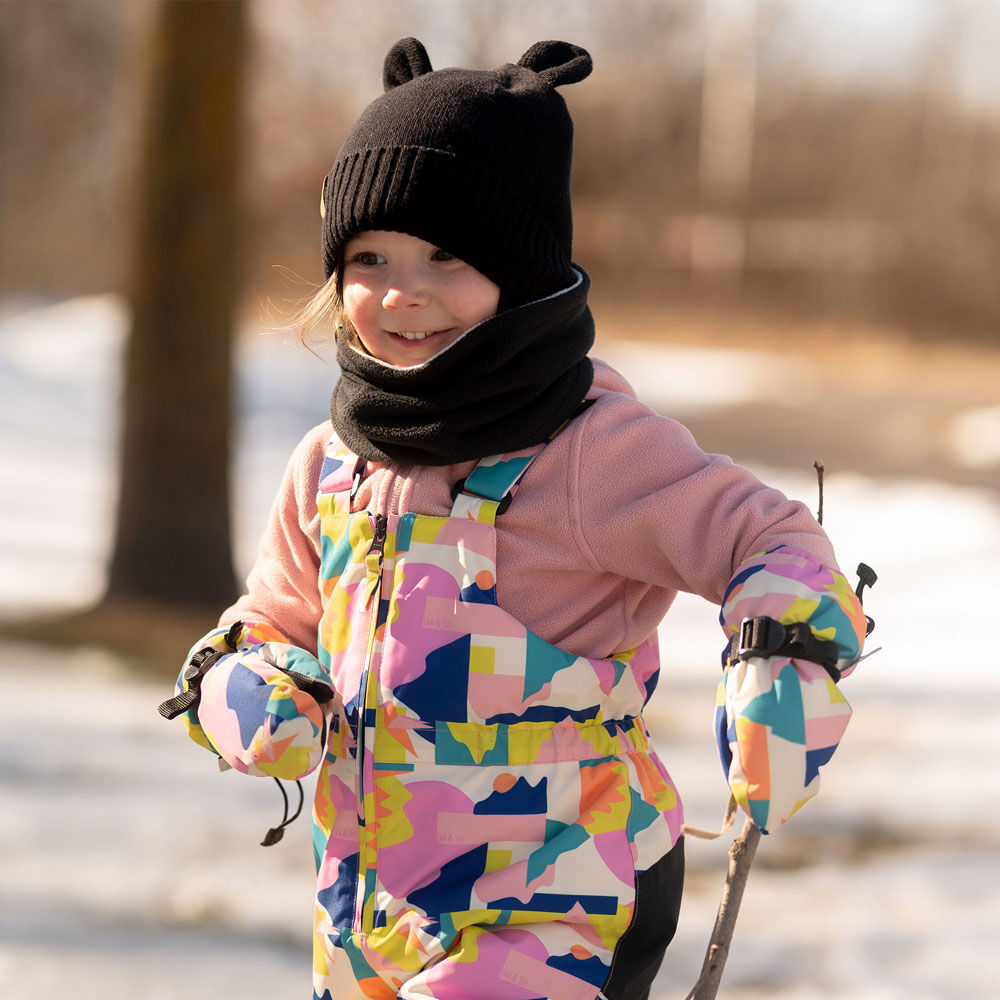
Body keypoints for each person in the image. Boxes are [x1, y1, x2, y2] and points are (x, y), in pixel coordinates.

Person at [162, 37, 867, 1000]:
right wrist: (247, 682)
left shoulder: (588, 451)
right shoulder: (330, 465)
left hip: (565, 898)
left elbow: (771, 536)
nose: (404, 290)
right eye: (371, 257)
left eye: (449, 257)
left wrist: (785, 651)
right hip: (373, 910)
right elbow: (277, 616)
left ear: (524, 275)